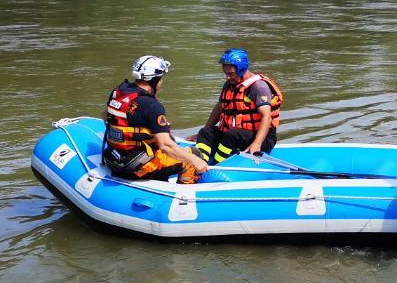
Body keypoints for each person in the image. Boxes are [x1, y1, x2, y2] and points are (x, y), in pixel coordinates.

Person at [181, 48, 283, 183]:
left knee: (233, 135)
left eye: (231, 74)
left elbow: (267, 117)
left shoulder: (258, 87)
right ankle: (199, 165)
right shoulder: (230, 84)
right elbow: (220, 108)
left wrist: (257, 144)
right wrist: (203, 131)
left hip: (262, 138)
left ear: (241, 70)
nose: (227, 77)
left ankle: (216, 167)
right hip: (237, 134)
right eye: (225, 73)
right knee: (206, 132)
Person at [103, 55, 209, 182]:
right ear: (154, 80)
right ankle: (184, 193)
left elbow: (107, 116)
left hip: (113, 158)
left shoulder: (119, 91)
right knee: (194, 155)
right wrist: (194, 160)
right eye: (161, 78)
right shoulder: (151, 105)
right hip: (135, 166)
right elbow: (165, 146)